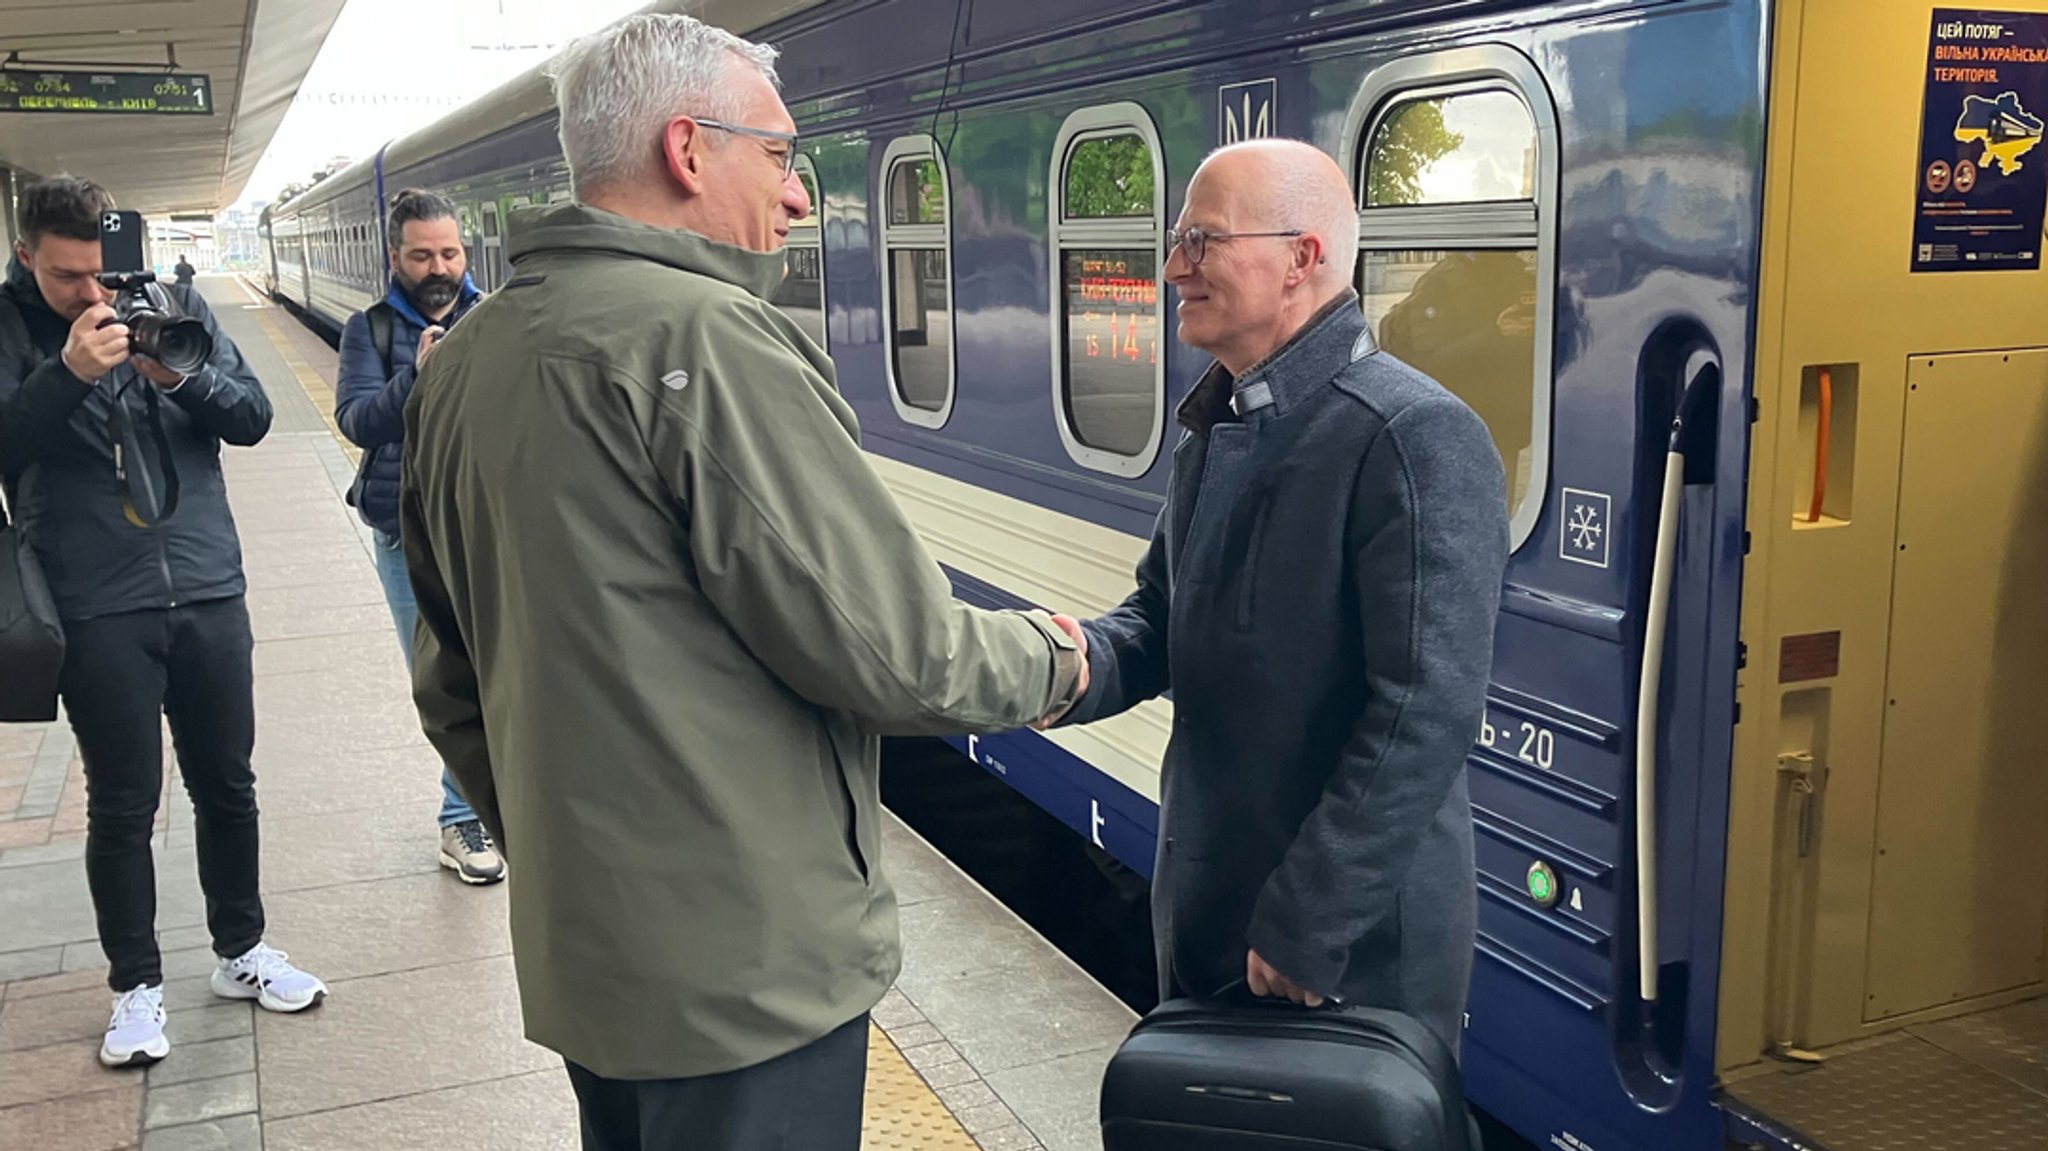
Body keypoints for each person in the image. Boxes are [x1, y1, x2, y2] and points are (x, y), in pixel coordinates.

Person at [397, 14, 1086, 1150]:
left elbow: (448, 678)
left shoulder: (469, 357)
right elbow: (895, 655)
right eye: (777, 154)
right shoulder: (710, 341)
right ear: (686, 150)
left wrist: (573, 856)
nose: (801, 193)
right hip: (745, 980)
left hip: (593, 959)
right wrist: (1068, 655)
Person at [1057, 140, 1509, 1053]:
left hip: (1339, 952)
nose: (1175, 264)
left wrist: (1314, 916)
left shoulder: (1412, 435)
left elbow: (1427, 709)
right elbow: (1160, 615)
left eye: (1202, 239)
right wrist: (1067, 665)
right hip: (1219, 903)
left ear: (1303, 256)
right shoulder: (1217, 422)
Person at [0, 176, 326, 1069]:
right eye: (70, 277)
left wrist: (180, 372)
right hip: (96, 598)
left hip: (208, 582)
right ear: (28, 256)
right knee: (124, 802)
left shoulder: (172, 302)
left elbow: (256, 418)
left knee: (228, 783)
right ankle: (134, 985)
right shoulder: (9, 326)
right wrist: (66, 372)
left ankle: (242, 949)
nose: (95, 295)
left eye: (105, 275)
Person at [334, 188, 501, 885]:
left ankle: (488, 806)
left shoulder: (495, 316)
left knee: (501, 672)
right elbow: (356, 420)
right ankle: (459, 821)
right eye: (423, 254)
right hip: (407, 534)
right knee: (443, 677)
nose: (440, 266)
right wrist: (417, 376)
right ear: (395, 257)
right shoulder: (367, 329)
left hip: (486, 523)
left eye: (451, 252)